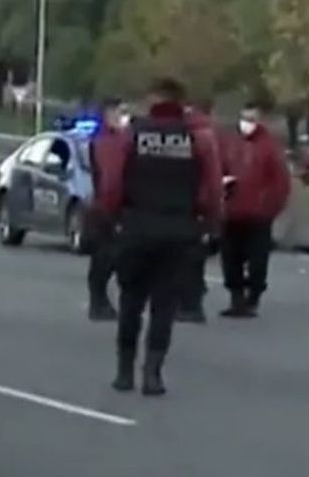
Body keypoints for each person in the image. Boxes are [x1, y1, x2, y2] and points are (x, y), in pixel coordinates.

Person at [94, 77, 224, 396]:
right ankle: (153, 373)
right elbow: (213, 189)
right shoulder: (198, 138)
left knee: (130, 301)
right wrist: (210, 225)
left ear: (154, 99)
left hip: (137, 227)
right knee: (163, 305)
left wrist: (108, 217)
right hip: (178, 231)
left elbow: (112, 183)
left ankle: (124, 372)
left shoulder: (132, 135)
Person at [219, 101, 292, 318]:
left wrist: (269, 207)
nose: (246, 123)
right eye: (244, 118)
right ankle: (236, 297)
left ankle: (253, 297)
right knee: (231, 258)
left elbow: (280, 182)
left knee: (257, 259)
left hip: (259, 214)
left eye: (251, 119)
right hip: (232, 211)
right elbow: (220, 167)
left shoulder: (270, 147)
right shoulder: (231, 142)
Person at [175, 97, 226, 324]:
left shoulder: (187, 136)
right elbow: (214, 182)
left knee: (182, 259)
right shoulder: (208, 136)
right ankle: (191, 302)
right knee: (192, 258)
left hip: (181, 206)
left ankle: (189, 304)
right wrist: (214, 218)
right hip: (197, 208)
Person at [87, 97, 132, 321]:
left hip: (110, 206)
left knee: (111, 257)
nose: (122, 117)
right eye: (118, 112)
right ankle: (99, 302)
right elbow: (110, 178)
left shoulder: (123, 139)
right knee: (106, 257)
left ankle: (101, 301)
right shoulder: (105, 141)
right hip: (108, 208)